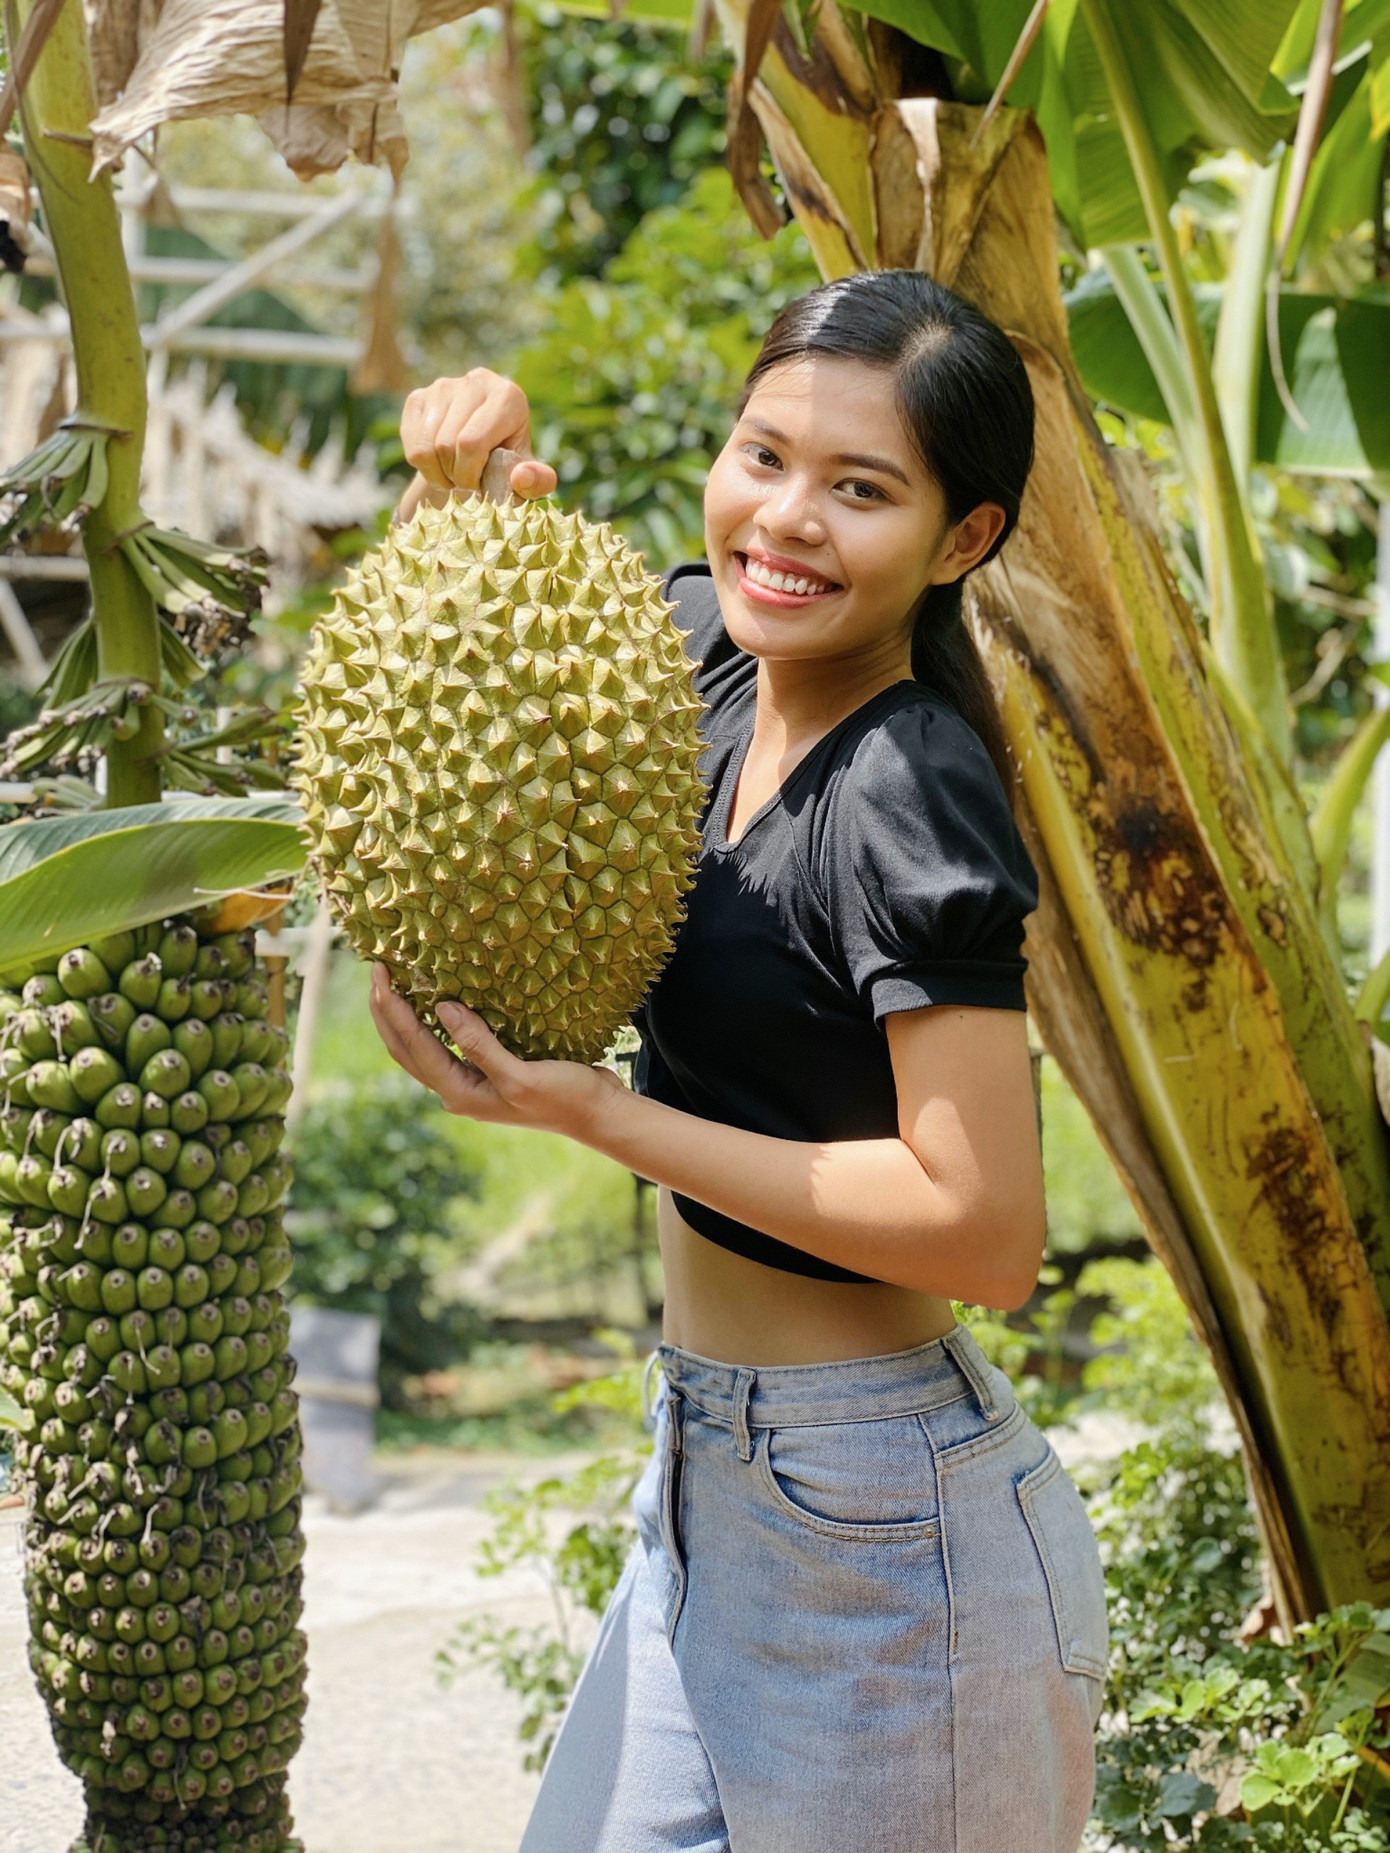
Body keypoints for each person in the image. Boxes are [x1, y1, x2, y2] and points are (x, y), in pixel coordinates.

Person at [372, 271, 1110, 1853]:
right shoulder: (701, 656)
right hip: (709, 1468)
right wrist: (470, 477)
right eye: (760, 455)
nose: (784, 520)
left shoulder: (907, 786)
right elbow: (486, 690)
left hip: (880, 1517)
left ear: (961, 540)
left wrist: (601, 1117)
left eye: (860, 489)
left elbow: (981, 1229)